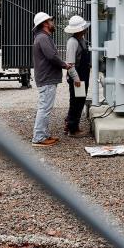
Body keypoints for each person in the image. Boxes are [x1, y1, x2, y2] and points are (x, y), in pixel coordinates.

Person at [31, 12, 72, 147]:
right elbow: (51, 56)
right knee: (44, 108)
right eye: (50, 20)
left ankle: (44, 134)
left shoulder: (42, 37)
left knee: (46, 107)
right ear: (45, 23)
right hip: (47, 78)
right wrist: (64, 65)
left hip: (46, 77)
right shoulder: (43, 38)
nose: (52, 22)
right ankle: (39, 138)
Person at [63, 15, 91, 138]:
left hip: (83, 75)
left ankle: (70, 124)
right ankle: (72, 129)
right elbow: (70, 64)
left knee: (80, 101)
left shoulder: (82, 41)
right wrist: (76, 79)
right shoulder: (72, 42)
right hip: (77, 77)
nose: (85, 29)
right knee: (75, 102)